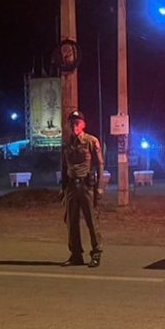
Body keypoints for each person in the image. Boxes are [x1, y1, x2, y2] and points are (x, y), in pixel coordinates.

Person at [60, 110, 104, 267]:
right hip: (71, 186)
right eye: (71, 123)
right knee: (71, 222)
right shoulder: (66, 143)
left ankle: (96, 253)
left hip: (86, 186)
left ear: (83, 124)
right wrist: (63, 187)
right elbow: (64, 166)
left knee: (91, 220)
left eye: (77, 123)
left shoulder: (91, 141)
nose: (74, 126)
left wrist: (100, 187)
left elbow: (100, 164)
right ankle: (76, 255)